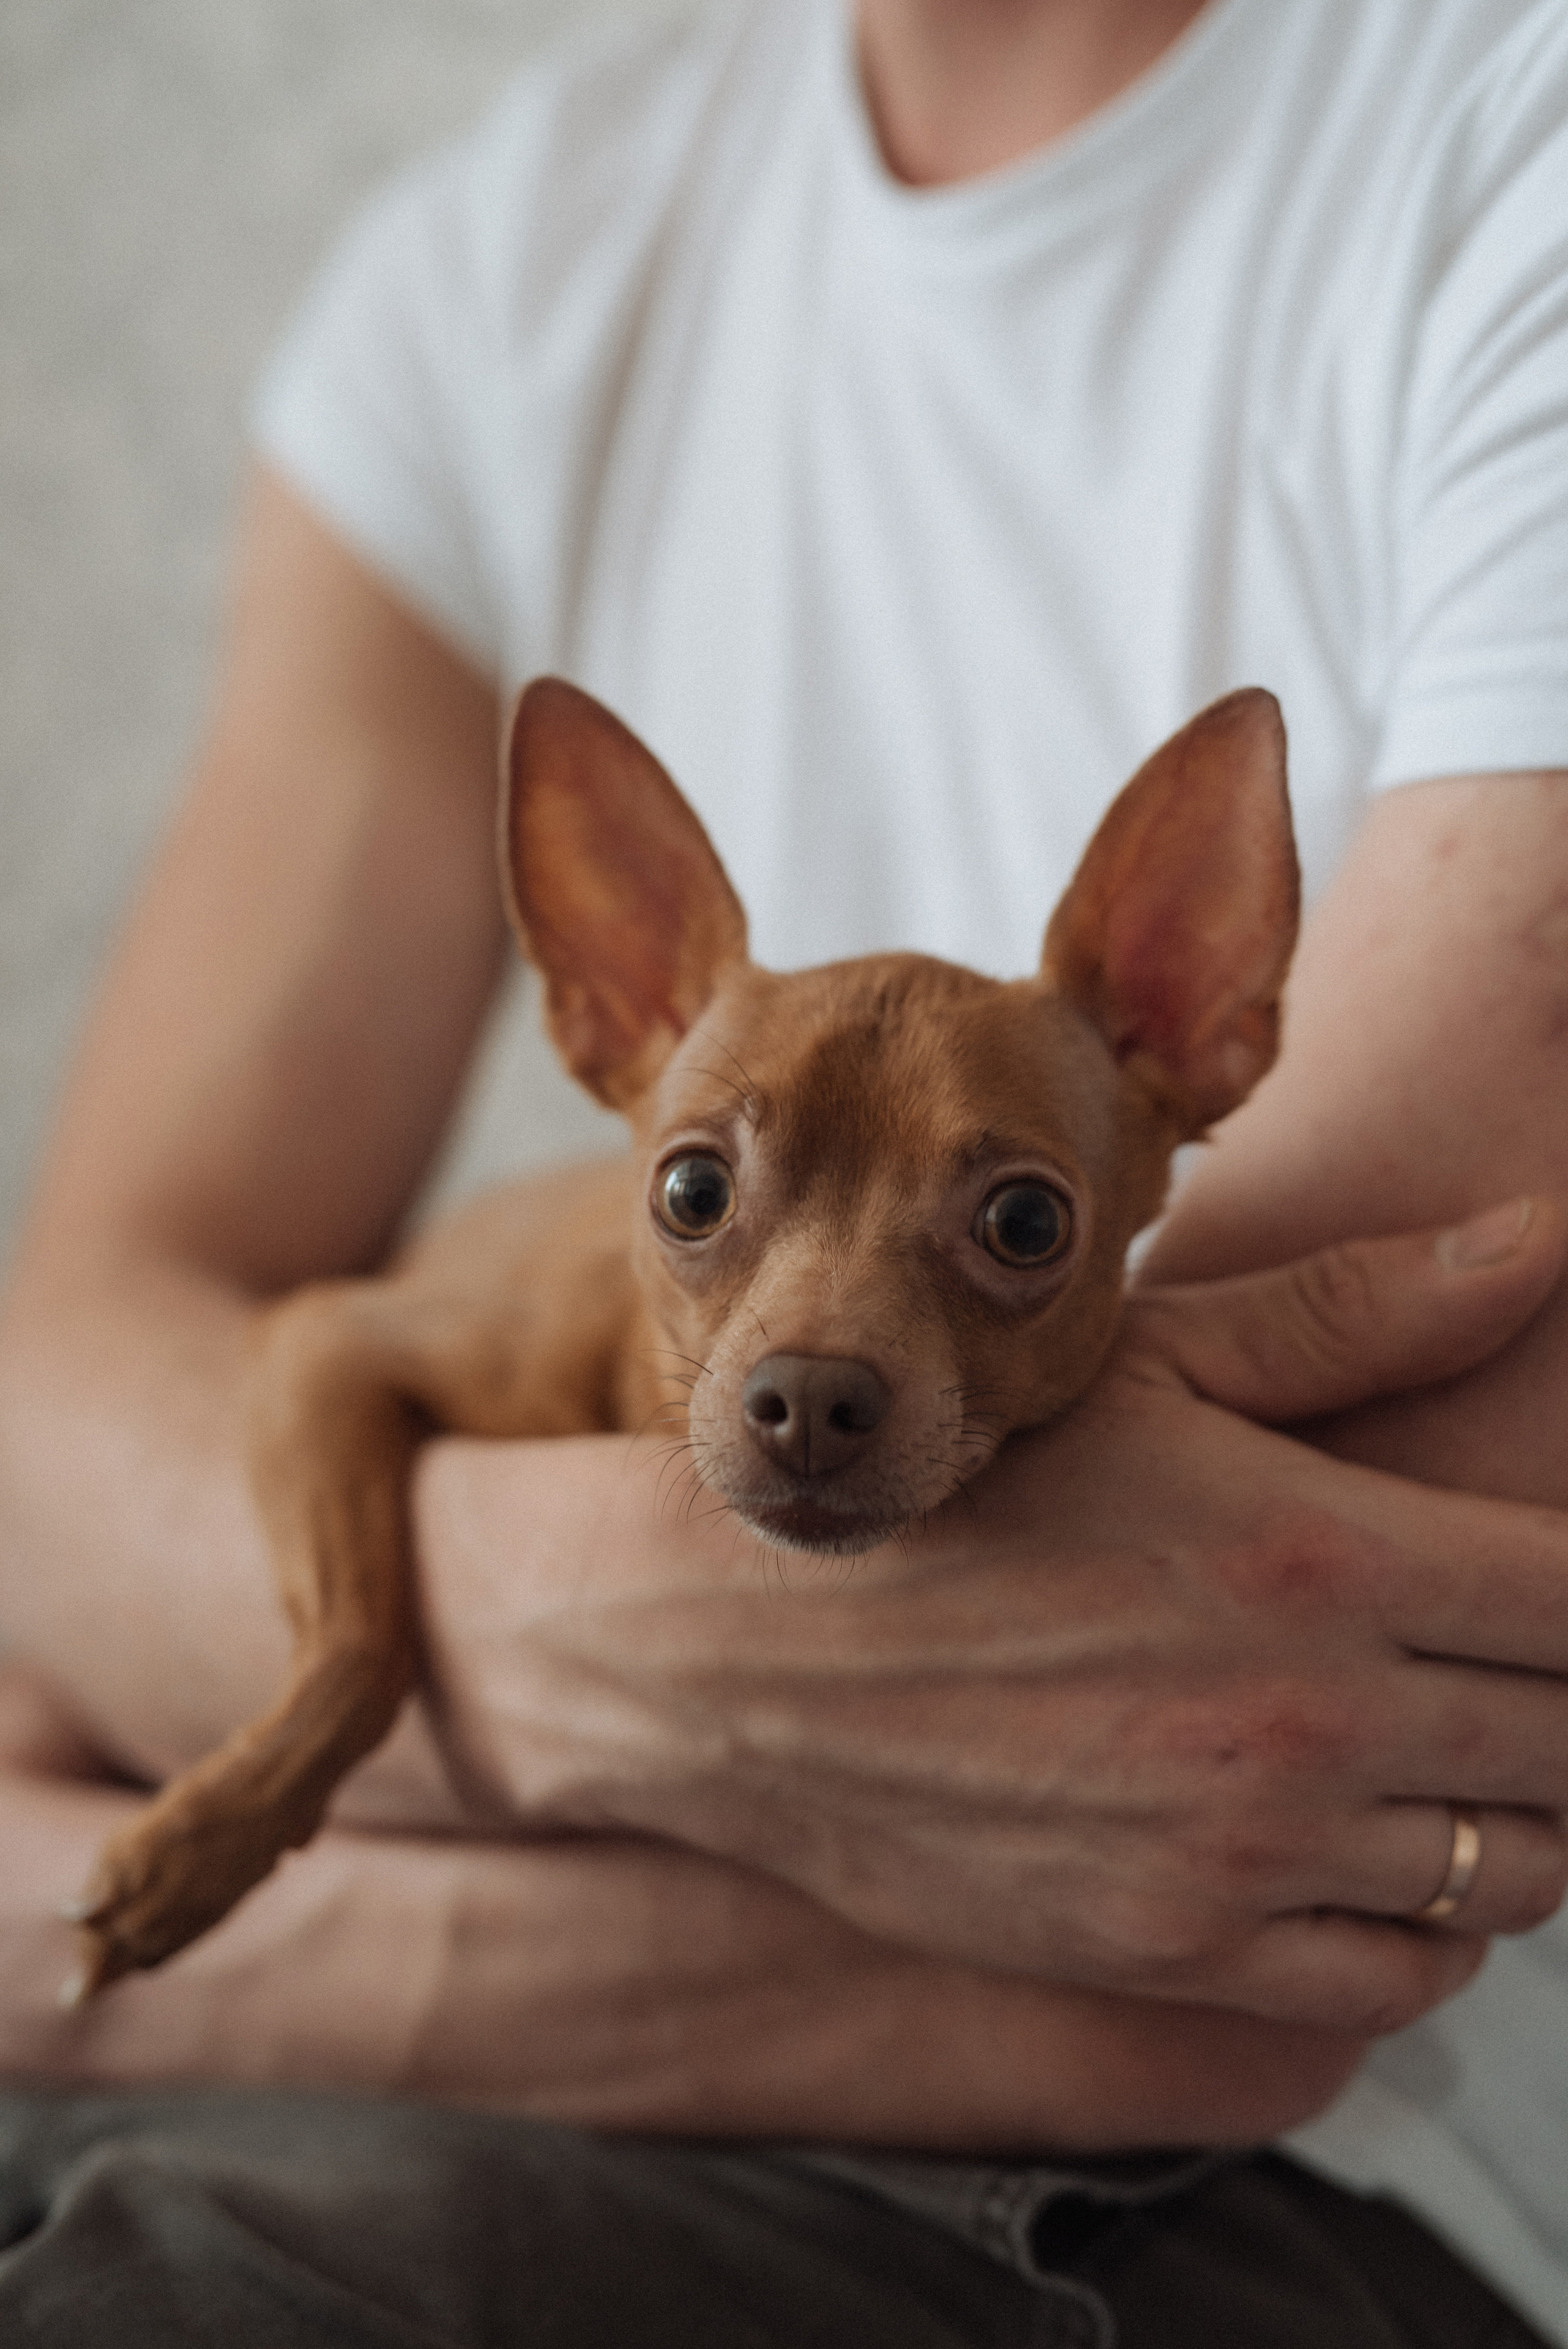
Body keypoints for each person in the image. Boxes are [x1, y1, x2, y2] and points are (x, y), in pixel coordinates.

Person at [1, 0, 1567, 2340]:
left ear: (1199, 1022)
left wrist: (112, 1928)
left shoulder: (1500, 128)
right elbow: (47, 1427)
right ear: (607, 1015)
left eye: (1014, 1226)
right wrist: (586, 1664)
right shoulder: (500, 265)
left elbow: (1231, 1846)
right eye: (703, 1202)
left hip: (1252, 2184)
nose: (813, 1358)